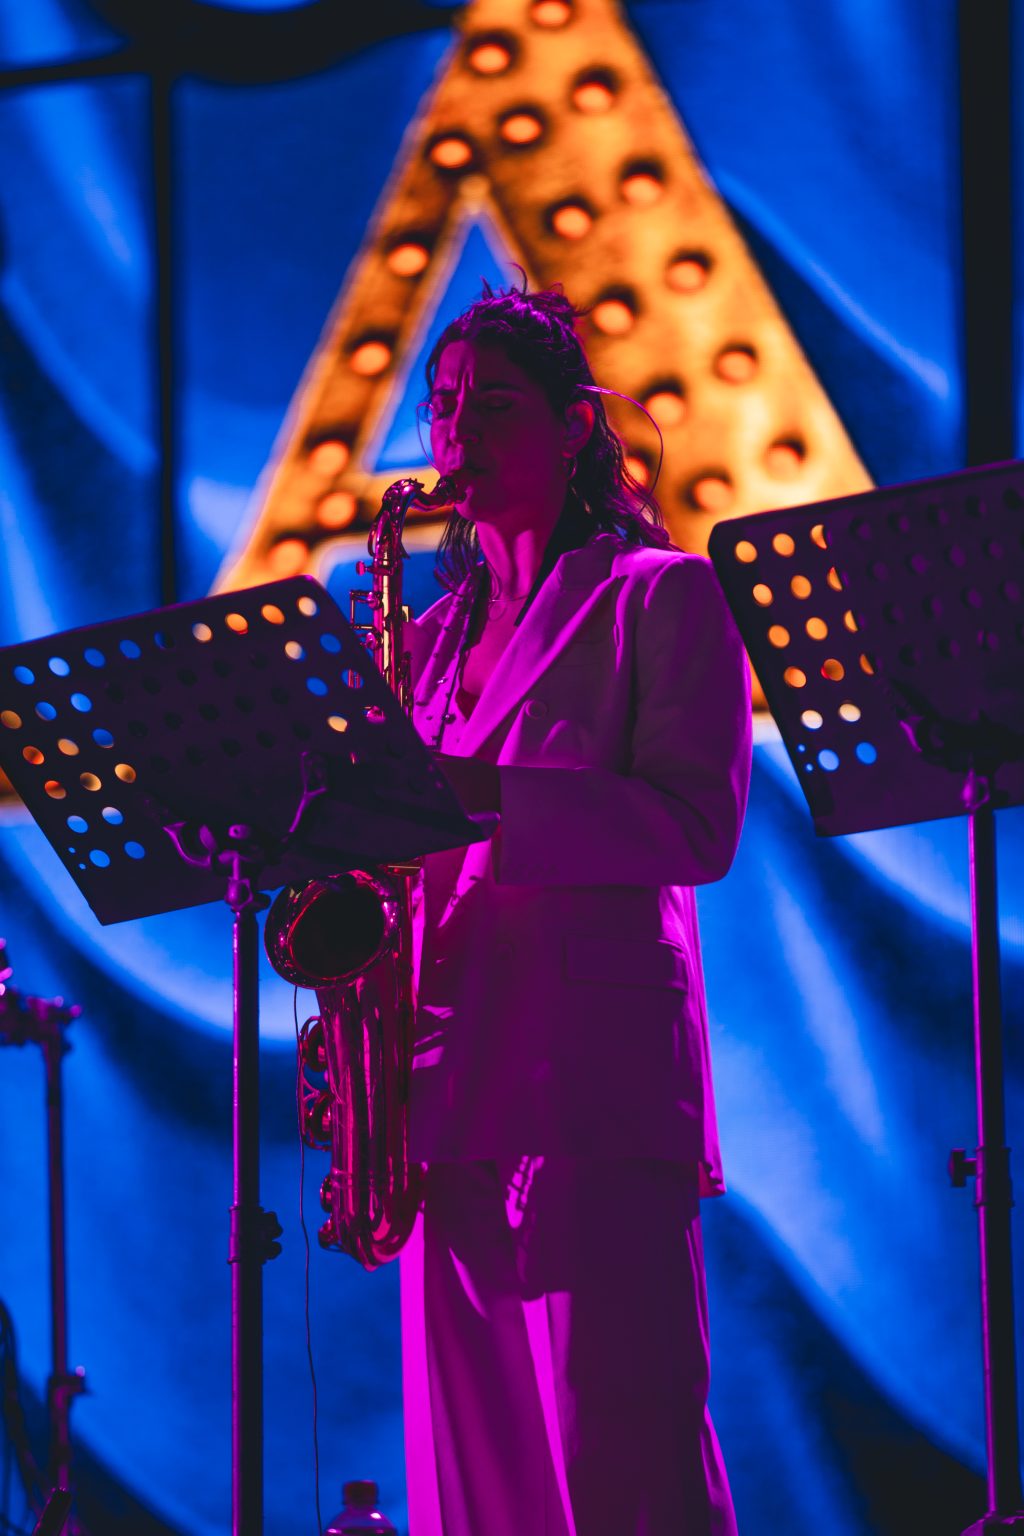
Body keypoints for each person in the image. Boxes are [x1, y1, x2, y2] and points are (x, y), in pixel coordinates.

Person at [400, 282, 752, 1536]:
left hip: (594, 1088)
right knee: (475, 1484)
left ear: (571, 429)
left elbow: (694, 829)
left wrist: (488, 796)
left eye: (492, 406)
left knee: (625, 1457)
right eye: (443, 408)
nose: (457, 435)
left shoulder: (661, 596)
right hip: (444, 1090)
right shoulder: (424, 642)